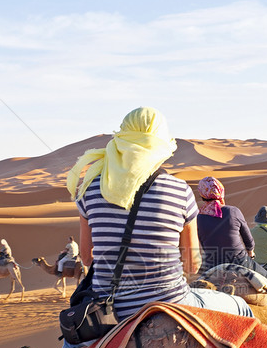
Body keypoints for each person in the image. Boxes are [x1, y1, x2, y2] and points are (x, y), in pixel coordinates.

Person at [67, 106, 252, 323]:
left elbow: (87, 257)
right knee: (241, 307)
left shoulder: (89, 189)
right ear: (160, 143)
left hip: (108, 311)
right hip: (171, 303)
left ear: (121, 139)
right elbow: (191, 264)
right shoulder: (179, 190)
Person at [196, 176, 267, 347]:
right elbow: (249, 241)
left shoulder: (198, 218)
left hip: (212, 266)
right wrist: (250, 253)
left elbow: (202, 244)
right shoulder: (233, 211)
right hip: (241, 262)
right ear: (222, 193)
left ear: (202, 196)